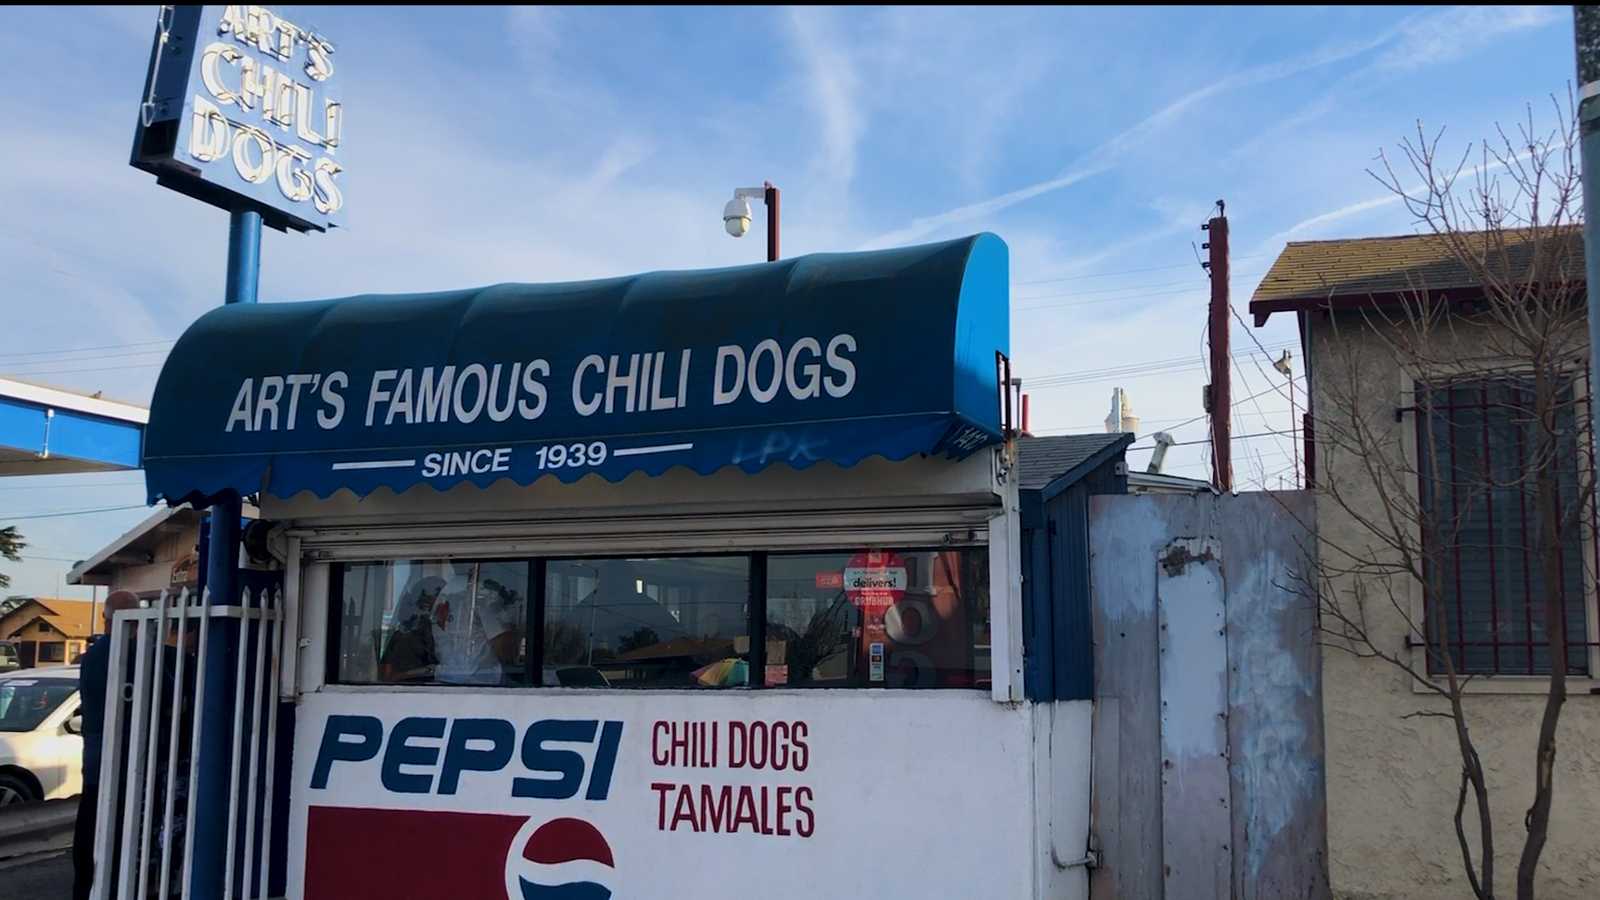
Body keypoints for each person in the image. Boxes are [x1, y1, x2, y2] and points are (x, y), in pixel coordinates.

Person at [73, 590, 140, 900]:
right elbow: (173, 703)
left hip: (96, 765)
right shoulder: (142, 654)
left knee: (89, 843)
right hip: (133, 767)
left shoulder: (91, 657)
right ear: (136, 618)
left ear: (105, 617)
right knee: (124, 848)